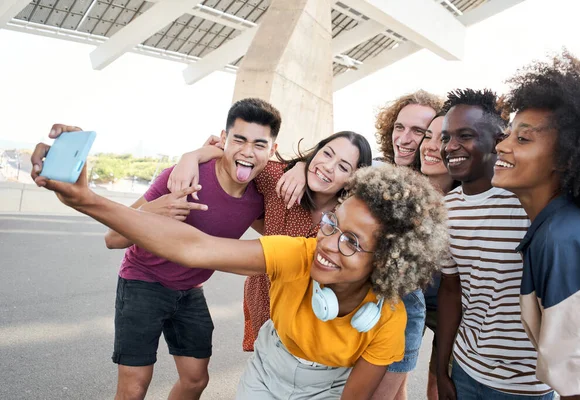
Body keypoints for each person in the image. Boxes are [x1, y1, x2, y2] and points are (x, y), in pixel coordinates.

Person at [31, 132, 449, 399]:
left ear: (390, 261)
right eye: (332, 225)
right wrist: (86, 199)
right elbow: (196, 247)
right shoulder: (299, 250)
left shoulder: (388, 319)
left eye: (352, 242)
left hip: (330, 385)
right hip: (267, 368)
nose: (328, 245)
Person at [41, 98, 282, 400]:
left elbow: (282, 230)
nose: (248, 151)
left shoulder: (258, 200)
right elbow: (113, 238)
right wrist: (155, 209)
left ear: (271, 151)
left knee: (195, 379)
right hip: (143, 281)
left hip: (190, 290)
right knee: (134, 387)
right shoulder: (183, 177)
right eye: (239, 140)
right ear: (224, 139)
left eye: (259, 144)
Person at [167, 131, 373, 351]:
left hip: (313, 316)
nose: (328, 166)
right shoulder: (278, 178)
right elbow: (232, 154)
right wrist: (191, 157)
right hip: (264, 299)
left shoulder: (350, 217)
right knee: (263, 365)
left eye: (343, 167)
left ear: (353, 179)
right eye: (326, 154)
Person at [492, 52, 580, 399]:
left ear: (567, 158)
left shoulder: (560, 239)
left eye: (523, 139)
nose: (502, 146)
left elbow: (579, 387)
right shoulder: (561, 225)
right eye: (507, 134)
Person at [436, 89, 554, 400]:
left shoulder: (529, 200)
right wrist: (440, 370)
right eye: (446, 137)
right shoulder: (445, 209)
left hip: (527, 384)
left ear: (497, 140)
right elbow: (451, 288)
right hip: (466, 368)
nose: (451, 146)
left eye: (465, 135)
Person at [371, 90, 445, 400]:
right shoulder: (379, 171)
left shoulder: (452, 173)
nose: (405, 137)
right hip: (405, 298)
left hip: (451, 301)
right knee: (392, 384)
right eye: (399, 127)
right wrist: (297, 167)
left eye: (420, 131)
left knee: (439, 389)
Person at [418, 112, 459, 400]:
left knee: (441, 385)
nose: (430, 145)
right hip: (410, 300)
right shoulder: (403, 186)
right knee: (392, 376)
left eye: (442, 138)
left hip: (454, 306)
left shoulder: (470, 200)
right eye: (427, 136)